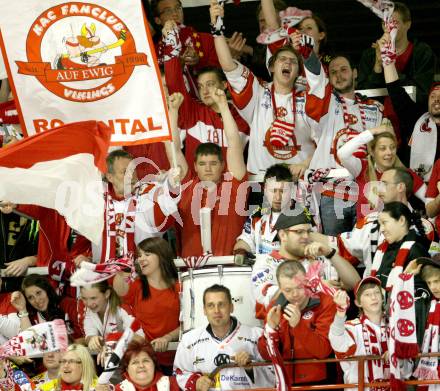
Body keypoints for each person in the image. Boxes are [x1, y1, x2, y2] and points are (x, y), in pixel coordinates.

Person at [292, 28, 384, 234]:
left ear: (355, 72)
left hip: (366, 191)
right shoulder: (325, 103)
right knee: (334, 252)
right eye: (333, 72)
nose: (338, 75)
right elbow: (316, 81)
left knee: (368, 250)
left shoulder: (374, 108)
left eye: (343, 70)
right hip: (333, 191)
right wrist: (308, 54)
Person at [211, 1, 316, 177]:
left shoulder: (310, 98)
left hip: (301, 185)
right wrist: (216, 26)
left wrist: (307, 163)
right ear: (272, 67)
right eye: (282, 59)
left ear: (298, 71)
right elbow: (228, 65)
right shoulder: (257, 92)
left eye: (293, 61)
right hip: (261, 183)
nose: (288, 63)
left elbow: (327, 140)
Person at [165, 90, 247, 257]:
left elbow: (234, 143)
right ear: (195, 166)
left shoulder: (234, 185)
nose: (207, 168)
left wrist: (223, 106)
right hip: (192, 270)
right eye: (202, 164)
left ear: (223, 165)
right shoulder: (188, 185)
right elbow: (172, 149)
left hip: (229, 267)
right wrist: (172, 111)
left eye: (213, 163)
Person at [312, 167, 435, 277]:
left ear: (401, 187)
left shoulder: (425, 227)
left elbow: (432, 269)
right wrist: (305, 234)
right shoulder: (370, 221)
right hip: (373, 295)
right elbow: (341, 247)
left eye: (384, 184)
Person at [161, 20, 249, 169]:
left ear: (224, 85)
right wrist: (171, 40)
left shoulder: (242, 114)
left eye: (210, 84)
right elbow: (174, 81)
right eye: (201, 86)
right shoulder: (193, 112)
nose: (205, 91)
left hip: (230, 189)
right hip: (197, 190)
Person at [74, 149, 180, 264]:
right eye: (125, 172)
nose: (131, 176)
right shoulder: (95, 201)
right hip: (103, 276)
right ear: (110, 177)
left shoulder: (147, 193)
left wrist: (171, 186)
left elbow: (166, 211)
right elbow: (81, 245)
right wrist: (82, 258)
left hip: (142, 273)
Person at [251, 210, 360, 318]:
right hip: (289, 331)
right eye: (299, 232)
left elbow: (354, 284)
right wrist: (316, 285)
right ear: (283, 235)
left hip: (329, 328)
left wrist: (330, 253)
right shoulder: (266, 263)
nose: (306, 236)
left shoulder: (319, 258)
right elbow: (276, 300)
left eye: (308, 232)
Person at [174, 284, 274, 390]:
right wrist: (195, 382)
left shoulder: (257, 336)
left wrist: (250, 368)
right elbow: (179, 373)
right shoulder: (189, 340)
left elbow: (275, 376)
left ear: (231, 307)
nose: (216, 310)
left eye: (221, 304)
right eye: (211, 305)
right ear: (204, 310)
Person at [258, 260, 336, 385]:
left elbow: (323, 351)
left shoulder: (325, 302)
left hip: (321, 382)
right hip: (286, 382)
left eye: (299, 287)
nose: (294, 294)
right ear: (280, 288)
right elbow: (266, 356)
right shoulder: (274, 307)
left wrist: (298, 326)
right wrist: (270, 329)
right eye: (288, 290)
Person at [379, 29, 438, 179]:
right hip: (416, 192)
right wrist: (387, 58)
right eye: (433, 95)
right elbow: (395, 91)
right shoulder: (416, 118)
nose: (436, 99)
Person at [113, 237, 179, 372]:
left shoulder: (180, 286)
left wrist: (167, 338)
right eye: (139, 255)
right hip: (145, 361)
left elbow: (186, 324)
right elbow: (120, 290)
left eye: (147, 254)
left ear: (161, 256)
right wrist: (122, 272)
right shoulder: (137, 285)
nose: (141, 259)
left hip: (178, 358)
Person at [337, 122, 426, 218]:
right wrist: (371, 132)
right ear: (372, 151)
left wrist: (430, 223)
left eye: (392, 147)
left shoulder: (405, 173)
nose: (389, 152)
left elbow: (430, 200)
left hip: (396, 230)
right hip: (366, 231)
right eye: (382, 148)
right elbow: (342, 154)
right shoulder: (362, 168)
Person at [372, 201, 430, 344]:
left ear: (402, 220)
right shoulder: (382, 250)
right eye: (380, 225)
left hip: (405, 329)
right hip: (382, 324)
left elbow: (419, 298)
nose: (382, 229)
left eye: (385, 223)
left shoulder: (416, 249)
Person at [357, 2, 436, 106]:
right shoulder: (369, 55)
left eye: (394, 22)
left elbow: (421, 94)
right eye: (384, 22)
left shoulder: (422, 52)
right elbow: (362, 98)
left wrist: (389, 64)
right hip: (378, 118)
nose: (388, 28)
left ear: (407, 24)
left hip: (411, 119)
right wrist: (377, 66)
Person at [329, 277, 389, 389]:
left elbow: (406, 369)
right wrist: (341, 311)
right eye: (367, 294)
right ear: (357, 302)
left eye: (377, 292)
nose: (373, 297)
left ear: (382, 297)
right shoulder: (351, 327)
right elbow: (337, 341)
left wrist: (396, 355)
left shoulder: (395, 326)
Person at [234, 164, 296, 256]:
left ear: (291, 190)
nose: (278, 197)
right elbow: (246, 240)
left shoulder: (302, 216)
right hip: (263, 267)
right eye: (273, 191)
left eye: (283, 191)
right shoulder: (257, 214)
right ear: (265, 190)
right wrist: (240, 251)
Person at [10, 274, 83, 341]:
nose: (37, 300)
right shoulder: (32, 316)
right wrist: (22, 309)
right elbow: (29, 342)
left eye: (38, 293)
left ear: (46, 290)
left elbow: (84, 337)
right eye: (30, 297)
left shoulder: (69, 305)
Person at [80, 280, 145, 355]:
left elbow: (140, 339)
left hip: (130, 358)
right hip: (109, 358)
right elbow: (89, 334)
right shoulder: (88, 310)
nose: (89, 303)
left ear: (107, 294)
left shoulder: (122, 309)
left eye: (93, 298)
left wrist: (114, 337)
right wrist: (93, 339)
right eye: (84, 298)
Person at [111, 340, 179, 391]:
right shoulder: (118, 389)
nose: (141, 365)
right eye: (135, 362)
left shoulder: (172, 383)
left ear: (154, 364)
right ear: (127, 369)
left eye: (145, 361)